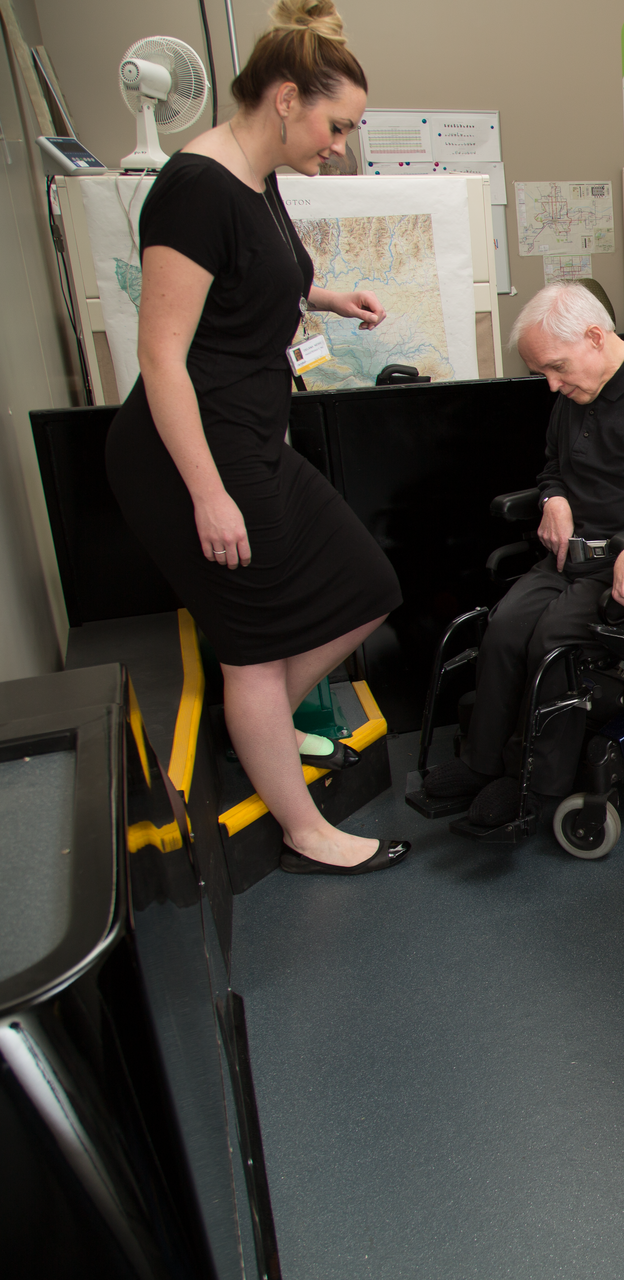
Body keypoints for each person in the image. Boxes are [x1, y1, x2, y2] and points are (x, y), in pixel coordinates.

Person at [105, 0, 408, 876]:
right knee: (255, 648)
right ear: (285, 98)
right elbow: (161, 357)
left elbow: (241, 282)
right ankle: (305, 829)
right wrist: (208, 493)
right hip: (190, 449)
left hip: (249, 439)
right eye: (336, 126)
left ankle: (264, 721)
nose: (340, 147)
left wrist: (327, 296)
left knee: (367, 585)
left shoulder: (253, 176)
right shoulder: (195, 188)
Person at [420, 283, 624, 828]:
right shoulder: (574, 395)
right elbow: (552, 466)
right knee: (505, 625)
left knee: (551, 638)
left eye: (556, 368)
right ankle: (482, 763)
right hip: (571, 557)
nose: (552, 385)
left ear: (593, 336)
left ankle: (535, 789)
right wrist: (553, 496)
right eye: (544, 374)